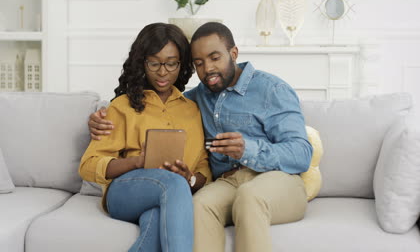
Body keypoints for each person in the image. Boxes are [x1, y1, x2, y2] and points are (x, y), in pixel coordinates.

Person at [89, 22, 313, 252]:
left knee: (250, 196)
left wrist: (248, 149)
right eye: (199, 63)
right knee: (198, 205)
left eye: (215, 58)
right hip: (228, 182)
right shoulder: (195, 100)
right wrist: (99, 115)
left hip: (278, 180)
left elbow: (302, 154)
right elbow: (153, 106)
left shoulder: (272, 89)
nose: (208, 69)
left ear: (233, 53)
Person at [79, 22, 212, 252]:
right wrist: (137, 162)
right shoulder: (122, 107)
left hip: (172, 194)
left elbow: (204, 168)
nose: (162, 72)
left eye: (171, 64)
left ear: (182, 65)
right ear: (142, 62)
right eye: (154, 63)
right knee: (173, 184)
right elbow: (88, 166)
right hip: (124, 194)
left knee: (157, 218)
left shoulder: (192, 110)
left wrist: (190, 177)